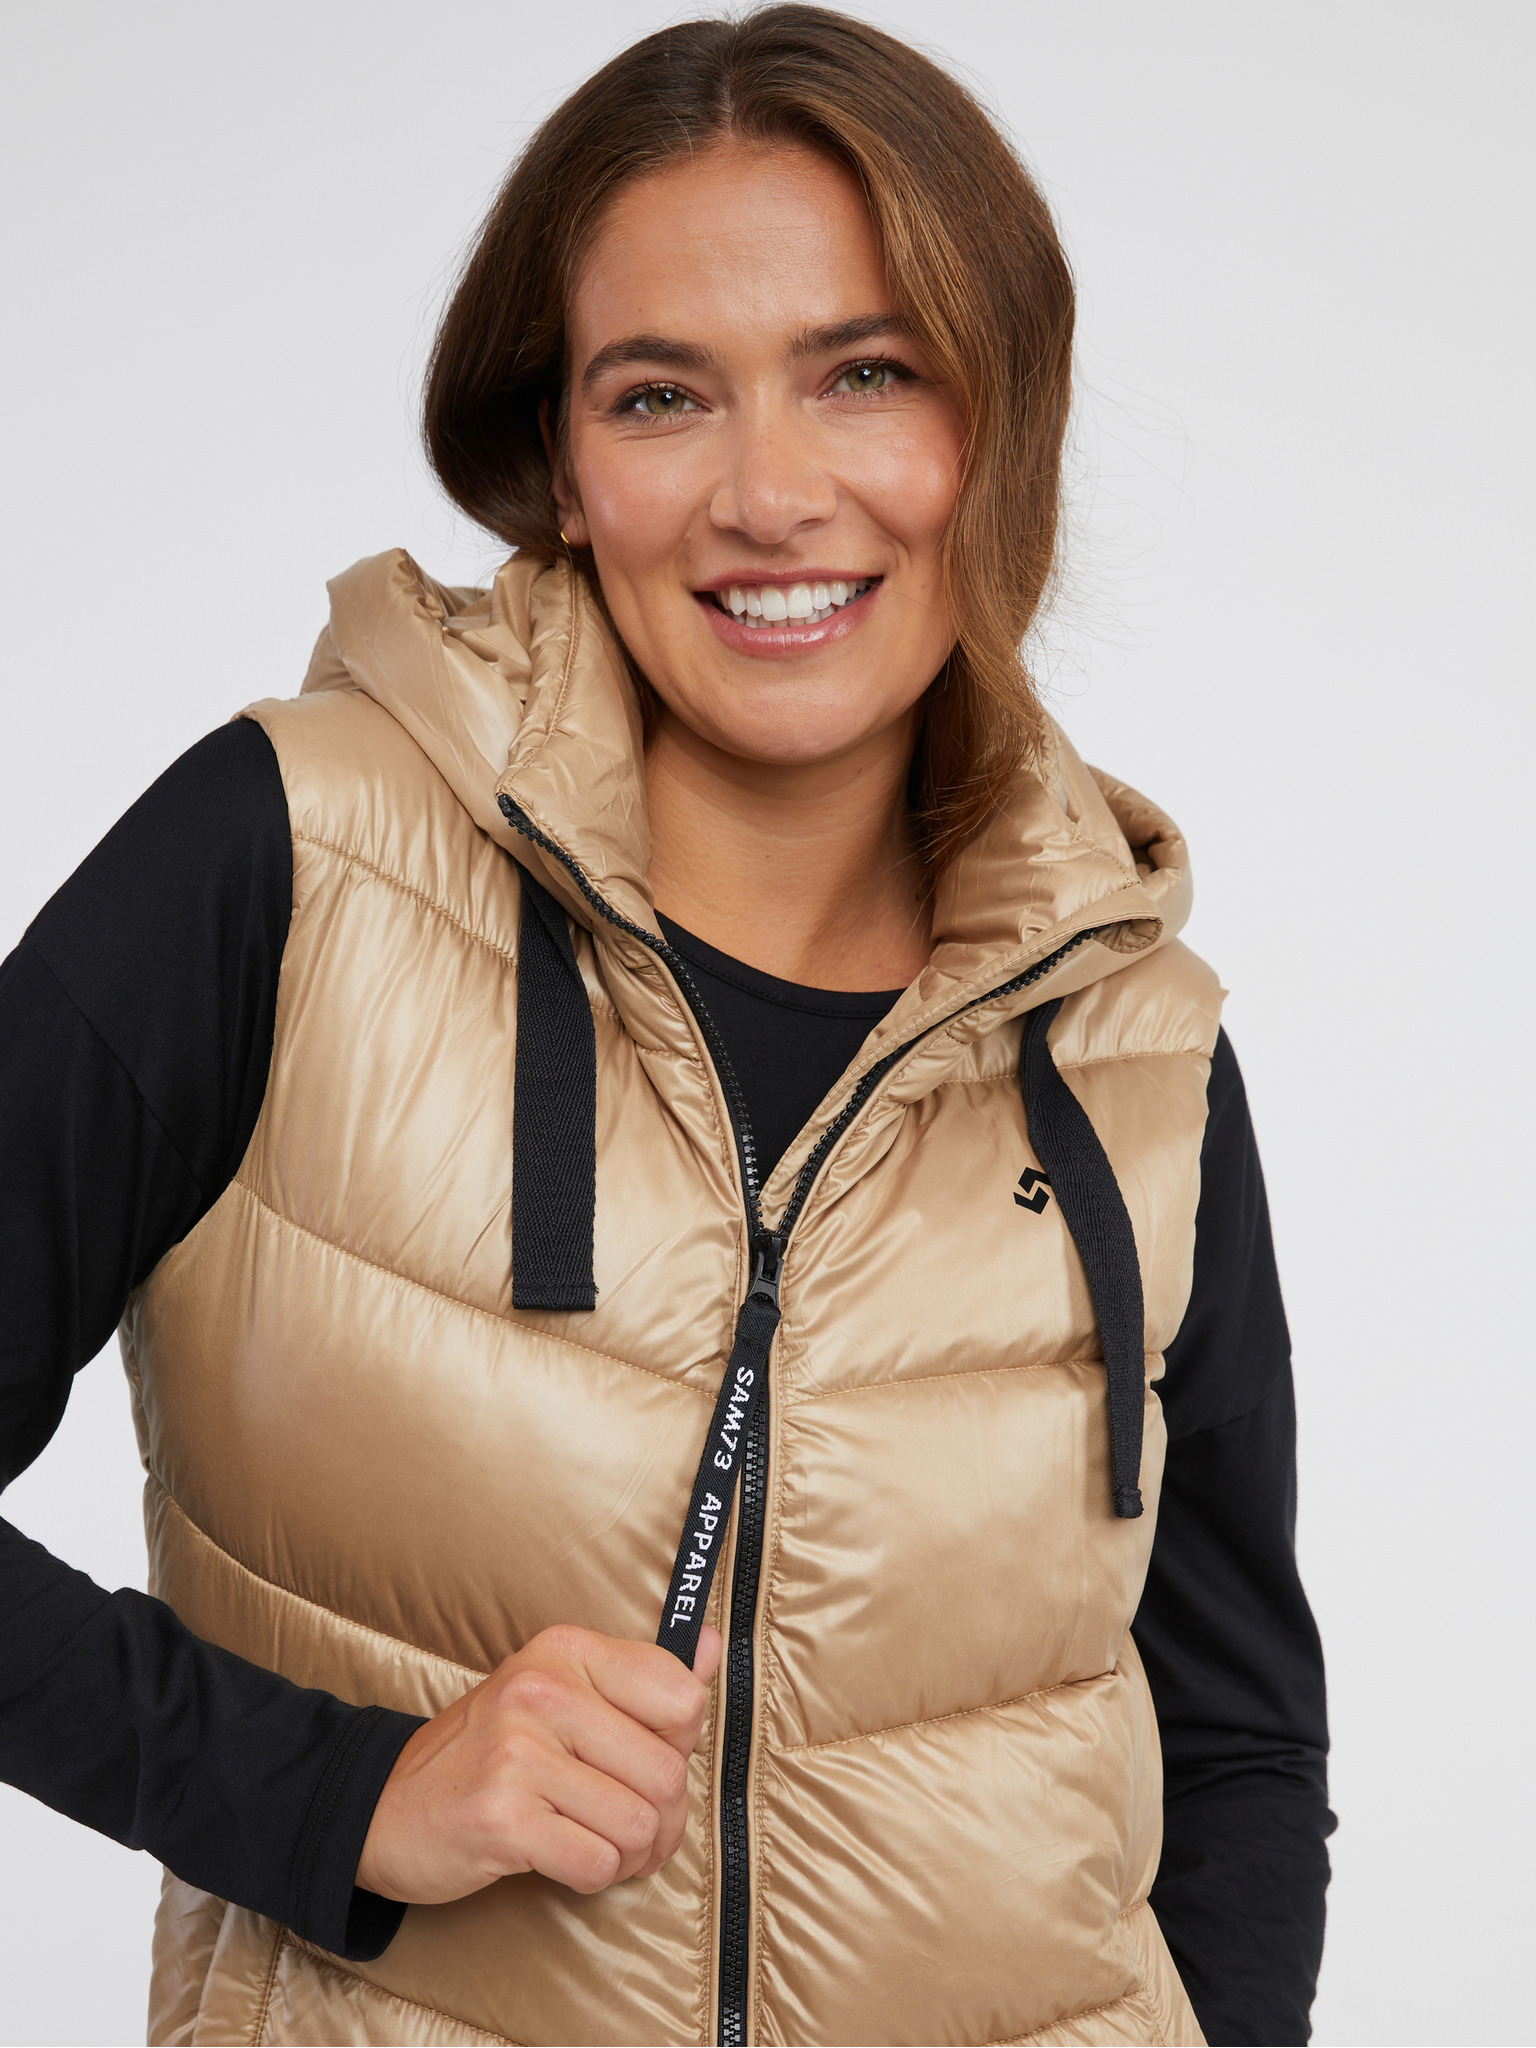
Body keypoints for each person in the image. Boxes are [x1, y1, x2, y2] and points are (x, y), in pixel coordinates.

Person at [0, 8, 1333, 2044]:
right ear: (561, 461)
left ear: (996, 427)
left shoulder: (1127, 1034)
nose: (770, 493)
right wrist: (340, 1795)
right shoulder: (293, 860)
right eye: (661, 397)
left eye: (867, 373)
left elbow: (1235, 1745)